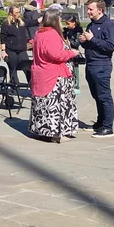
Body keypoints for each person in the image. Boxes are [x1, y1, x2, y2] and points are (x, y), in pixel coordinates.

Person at [29, 10, 81, 143]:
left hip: (40, 72)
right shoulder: (51, 34)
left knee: (42, 105)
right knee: (56, 105)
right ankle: (57, 134)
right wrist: (71, 53)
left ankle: (41, 130)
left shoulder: (38, 33)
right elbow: (55, 54)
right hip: (54, 75)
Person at [79, 0, 114, 138]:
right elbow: (91, 45)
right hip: (90, 64)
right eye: (88, 9)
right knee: (96, 96)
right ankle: (100, 123)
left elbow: (110, 46)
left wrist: (92, 39)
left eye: (90, 9)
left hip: (101, 65)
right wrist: (83, 41)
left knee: (104, 96)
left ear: (99, 10)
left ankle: (108, 127)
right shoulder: (91, 25)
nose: (88, 11)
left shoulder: (109, 26)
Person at [0, 6, 31, 87]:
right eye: (16, 13)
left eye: (19, 12)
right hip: (11, 50)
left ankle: (31, 84)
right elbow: (3, 38)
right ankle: (14, 86)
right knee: (13, 68)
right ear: (11, 14)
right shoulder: (6, 24)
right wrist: (3, 51)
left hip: (22, 50)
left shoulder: (22, 22)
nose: (18, 14)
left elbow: (34, 22)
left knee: (27, 67)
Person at [62, 13, 85, 95]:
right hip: (67, 52)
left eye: (68, 24)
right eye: (66, 24)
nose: (67, 26)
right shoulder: (67, 30)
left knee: (75, 70)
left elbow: (76, 43)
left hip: (74, 53)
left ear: (74, 23)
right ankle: (69, 85)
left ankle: (76, 86)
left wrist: (68, 42)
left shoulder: (78, 31)